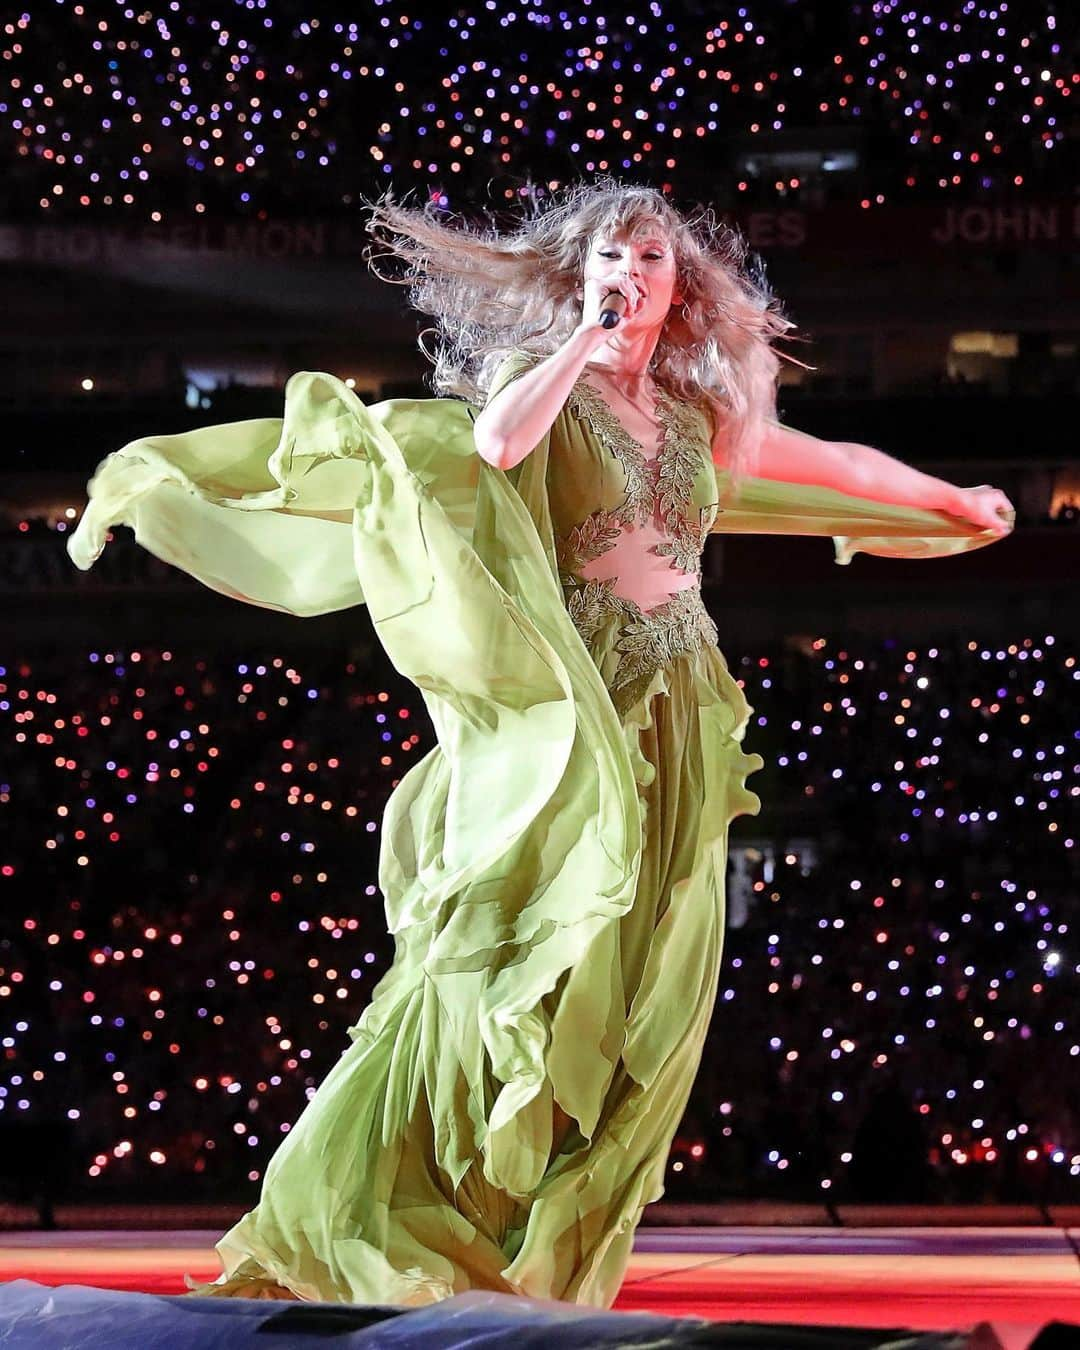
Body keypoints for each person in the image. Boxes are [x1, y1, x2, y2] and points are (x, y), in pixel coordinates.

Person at [66, 180, 1014, 1308]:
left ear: (678, 285)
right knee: (518, 967)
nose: (632, 273)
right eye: (611, 257)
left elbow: (839, 467)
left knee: (649, 979)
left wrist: (954, 497)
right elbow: (496, 444)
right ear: (586, 277)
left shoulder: (699, 414)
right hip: (581, 710)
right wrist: (577, 343)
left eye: (651, 257)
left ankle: (546, 1238)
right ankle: (413, 1199)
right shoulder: (543, 386)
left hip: (682, 706)